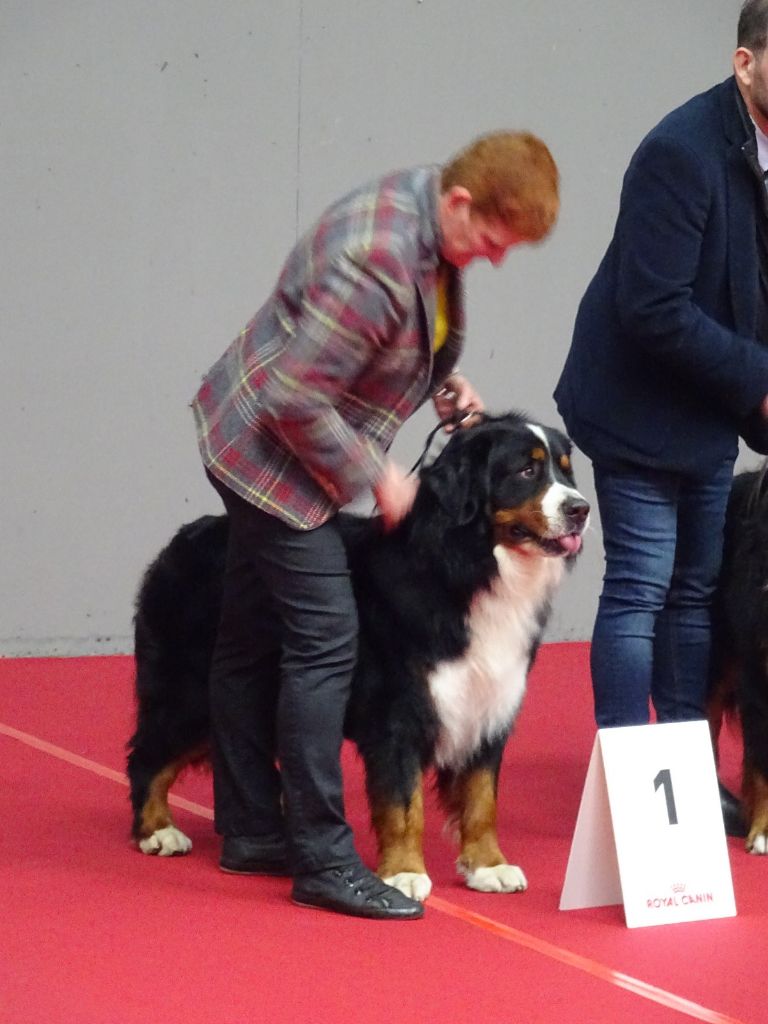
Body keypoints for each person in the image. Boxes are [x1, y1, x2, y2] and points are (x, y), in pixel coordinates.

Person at [191, 131, 560, 918]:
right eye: (493, 240)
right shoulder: (376, 260)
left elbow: (375, 341)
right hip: (265, 455)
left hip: (275, 437)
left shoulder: (428, 206)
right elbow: (293, 398)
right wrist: (378, 478)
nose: (495, 258)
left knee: (250, 636)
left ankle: (253, 828)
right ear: (461, 202)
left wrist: (439, 379)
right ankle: (325, 857)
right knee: (327, 636)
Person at [554, 0, 768, 836]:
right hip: (638, 406)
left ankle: (679, 776)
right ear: (744, 63)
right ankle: (627, 784)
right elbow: (652, 308)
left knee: (694, 596)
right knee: (642, 590)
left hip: (708, 409)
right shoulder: (679, 152)